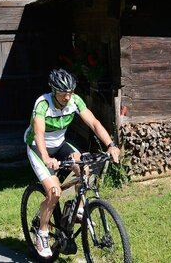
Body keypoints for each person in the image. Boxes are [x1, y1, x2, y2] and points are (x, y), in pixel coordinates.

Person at [24, 68, 120, 259]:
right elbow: (39, 134)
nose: (68, 97)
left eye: (70, 92)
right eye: (63, 93)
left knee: (84, 167)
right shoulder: (43, 104)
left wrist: (110, 145)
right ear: (54, 91)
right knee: (54, 192)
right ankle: (42, 233)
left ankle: (79, 208)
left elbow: (94, 123)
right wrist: (46, 158)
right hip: (38, 148)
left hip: (59, 145)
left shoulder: (75, 100)